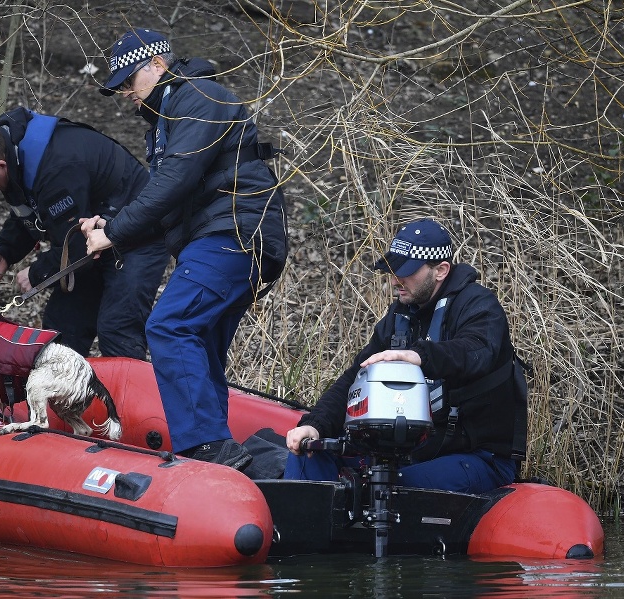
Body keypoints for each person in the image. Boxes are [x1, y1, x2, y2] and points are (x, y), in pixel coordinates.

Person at [84, 28, 288, 470]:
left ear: (156, 66)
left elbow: (172, 184)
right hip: (225, 236)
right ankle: (219, 458)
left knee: (169, 326)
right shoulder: (167, 121)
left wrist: (115, 233)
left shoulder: (199, 99)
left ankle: (208, 446)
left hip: (234, 233)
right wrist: (113, 226)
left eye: (128, 81)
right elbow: (166, 204)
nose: (124, 93)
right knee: (201, 340)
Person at [284, 219, 527, 493]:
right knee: (311, 455)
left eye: (407, 271)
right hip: (407, 450)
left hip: (478, 458)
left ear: (440, 271)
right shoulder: (399, 314)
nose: (394, 280)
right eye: (393, 270)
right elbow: (355, 378)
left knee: (391, 489)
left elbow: (477, 351)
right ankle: (305, 531)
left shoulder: (478, 305)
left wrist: (419, 355)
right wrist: (315, 426)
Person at [0, 106, 170, 359]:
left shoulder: (55, 169)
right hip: (89, 238)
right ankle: (69, 396)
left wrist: (37, 273)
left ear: (1, 166)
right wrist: (5, 253)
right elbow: (27, 212)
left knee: (117, 331)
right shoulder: (14, 151)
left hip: (136, 238)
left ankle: (130, 396)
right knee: (60, 331)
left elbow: (74, 248)